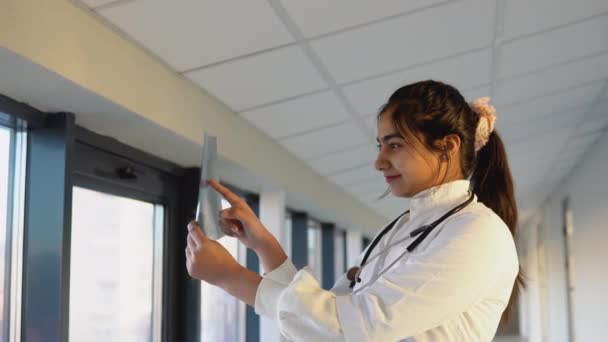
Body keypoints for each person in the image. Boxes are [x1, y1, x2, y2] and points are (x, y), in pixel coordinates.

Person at [185, 80, 523, 341]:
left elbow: (346, 331)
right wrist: (264, 246)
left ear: (448, 146)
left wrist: (231, 277)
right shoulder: (401, 227)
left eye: (395, 145)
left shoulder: (479, 235)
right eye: (380, 146)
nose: (379, 162)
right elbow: (326, 315)